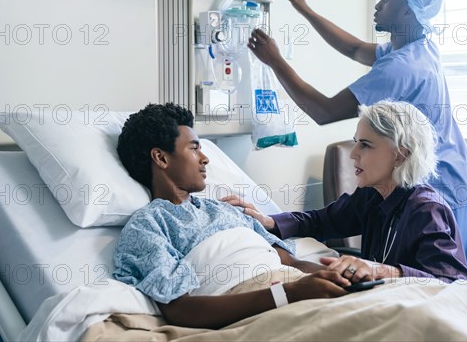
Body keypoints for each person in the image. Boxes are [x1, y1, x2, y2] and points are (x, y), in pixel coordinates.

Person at [247, 0, 467, 265]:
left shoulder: (402, 68)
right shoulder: (417, 47)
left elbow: (324, 111)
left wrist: (275, 61)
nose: (377, 5)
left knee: (439, 279)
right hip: (458, 171)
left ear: (408, 13)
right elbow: (355, 47)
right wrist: (304, 9)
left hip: (442, 181)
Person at [112, 103, 351, 330]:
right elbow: (181, 310)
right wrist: (288, 294)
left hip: (301, 287)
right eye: (194, 148)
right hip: (262, 305)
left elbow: (293, 263)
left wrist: (341, 277)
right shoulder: (147, 226)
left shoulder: (227, 209)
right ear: (161, 158)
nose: (205, 158)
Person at [228, 100, 467, 283]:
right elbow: (320, 221)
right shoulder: (372, 195)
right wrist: (269, 221)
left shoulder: (426, 210)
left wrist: (385, 271)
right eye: (355, 142)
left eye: (365, 145)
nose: (353, 154)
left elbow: (453, 283)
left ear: (400, 154)